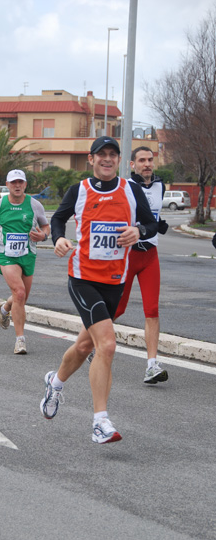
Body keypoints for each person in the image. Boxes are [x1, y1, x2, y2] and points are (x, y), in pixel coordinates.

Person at [40, 136, 158, 444]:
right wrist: (58, 239)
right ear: (91, 159)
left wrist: (138, 231)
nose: (106, 159)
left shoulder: (131, 190)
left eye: (112, 155)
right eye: (100, 154)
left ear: (118, 161)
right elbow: (58, 218)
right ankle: (100, 422)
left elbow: (151, 224)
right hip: (83, 278)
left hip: (115, 282)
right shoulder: (79, 189)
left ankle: (55, 382)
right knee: (106, 345)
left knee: (83, 347)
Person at [114, 146, 169, 384]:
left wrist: (160, 224)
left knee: (152, 310)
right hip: (128, 255)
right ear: (132, 164)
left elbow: (154, 217)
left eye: (150, 160)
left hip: (150, 255)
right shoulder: (124, 187)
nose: (147, 164)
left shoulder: (160, 186)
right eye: (142, 160)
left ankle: (151, 365)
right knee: (117, 309)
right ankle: (90, 342)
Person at [0, 169, 50, 354]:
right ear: (8, 184)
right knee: (19, 293)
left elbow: (45, 226)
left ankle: (4, 308)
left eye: (21, 182)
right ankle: (20, 340)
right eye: (14, 182)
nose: (17, 185)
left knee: (22, 297)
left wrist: (43, 235)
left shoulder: (34, 205)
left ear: (25, 185)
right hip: (6, 254)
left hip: (28, 254)